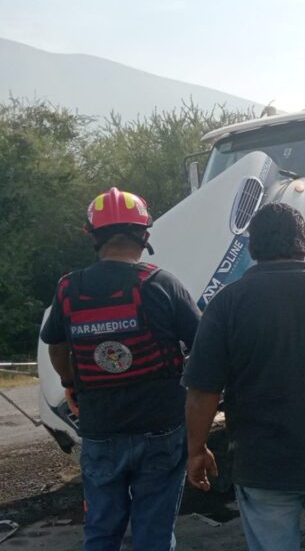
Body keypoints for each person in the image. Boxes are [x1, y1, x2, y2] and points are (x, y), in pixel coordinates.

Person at [182, 202, 305, 551]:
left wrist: (196, 448)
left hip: (262, 467)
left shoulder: (227, 305)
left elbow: (203, 391)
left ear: (251, 247)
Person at [40, 187, 200, 551]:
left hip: (100, 429)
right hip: (161, 428)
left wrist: (69, 383)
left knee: (101, 531)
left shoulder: (68, 289)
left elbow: (56, 344)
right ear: (145, 235)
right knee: (154, 533)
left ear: (92, 235)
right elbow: (202, 344)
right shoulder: (162, 285)